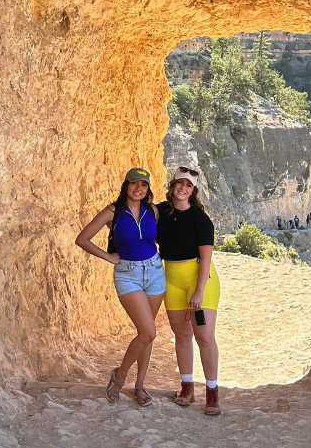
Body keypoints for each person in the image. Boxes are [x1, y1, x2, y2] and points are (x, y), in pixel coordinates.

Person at [75, 166, 166, 406]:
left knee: (147, 335)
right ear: (126, 185)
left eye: (143, 185)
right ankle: (119, 376)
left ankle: (140, 386)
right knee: (148, 332)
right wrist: (108, 256)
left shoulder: (153, 211)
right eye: (134, 183)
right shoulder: (113, 212)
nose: (138, 188)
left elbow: (156, 239)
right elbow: (82, 239)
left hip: (155, 272)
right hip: (128, 275)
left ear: (148, 189)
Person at [157, 166, 222, 416]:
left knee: (204, 336)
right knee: (182, 335)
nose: (183, 188)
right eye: (180, 183)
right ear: (172, 185)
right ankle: (187, 388)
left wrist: (199, 291)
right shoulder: (161, 212)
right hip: (172, 280)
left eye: (189, 185)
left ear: (193, 191)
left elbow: (206, 257)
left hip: (200, 280)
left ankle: (212, 392)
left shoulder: (200, 218)